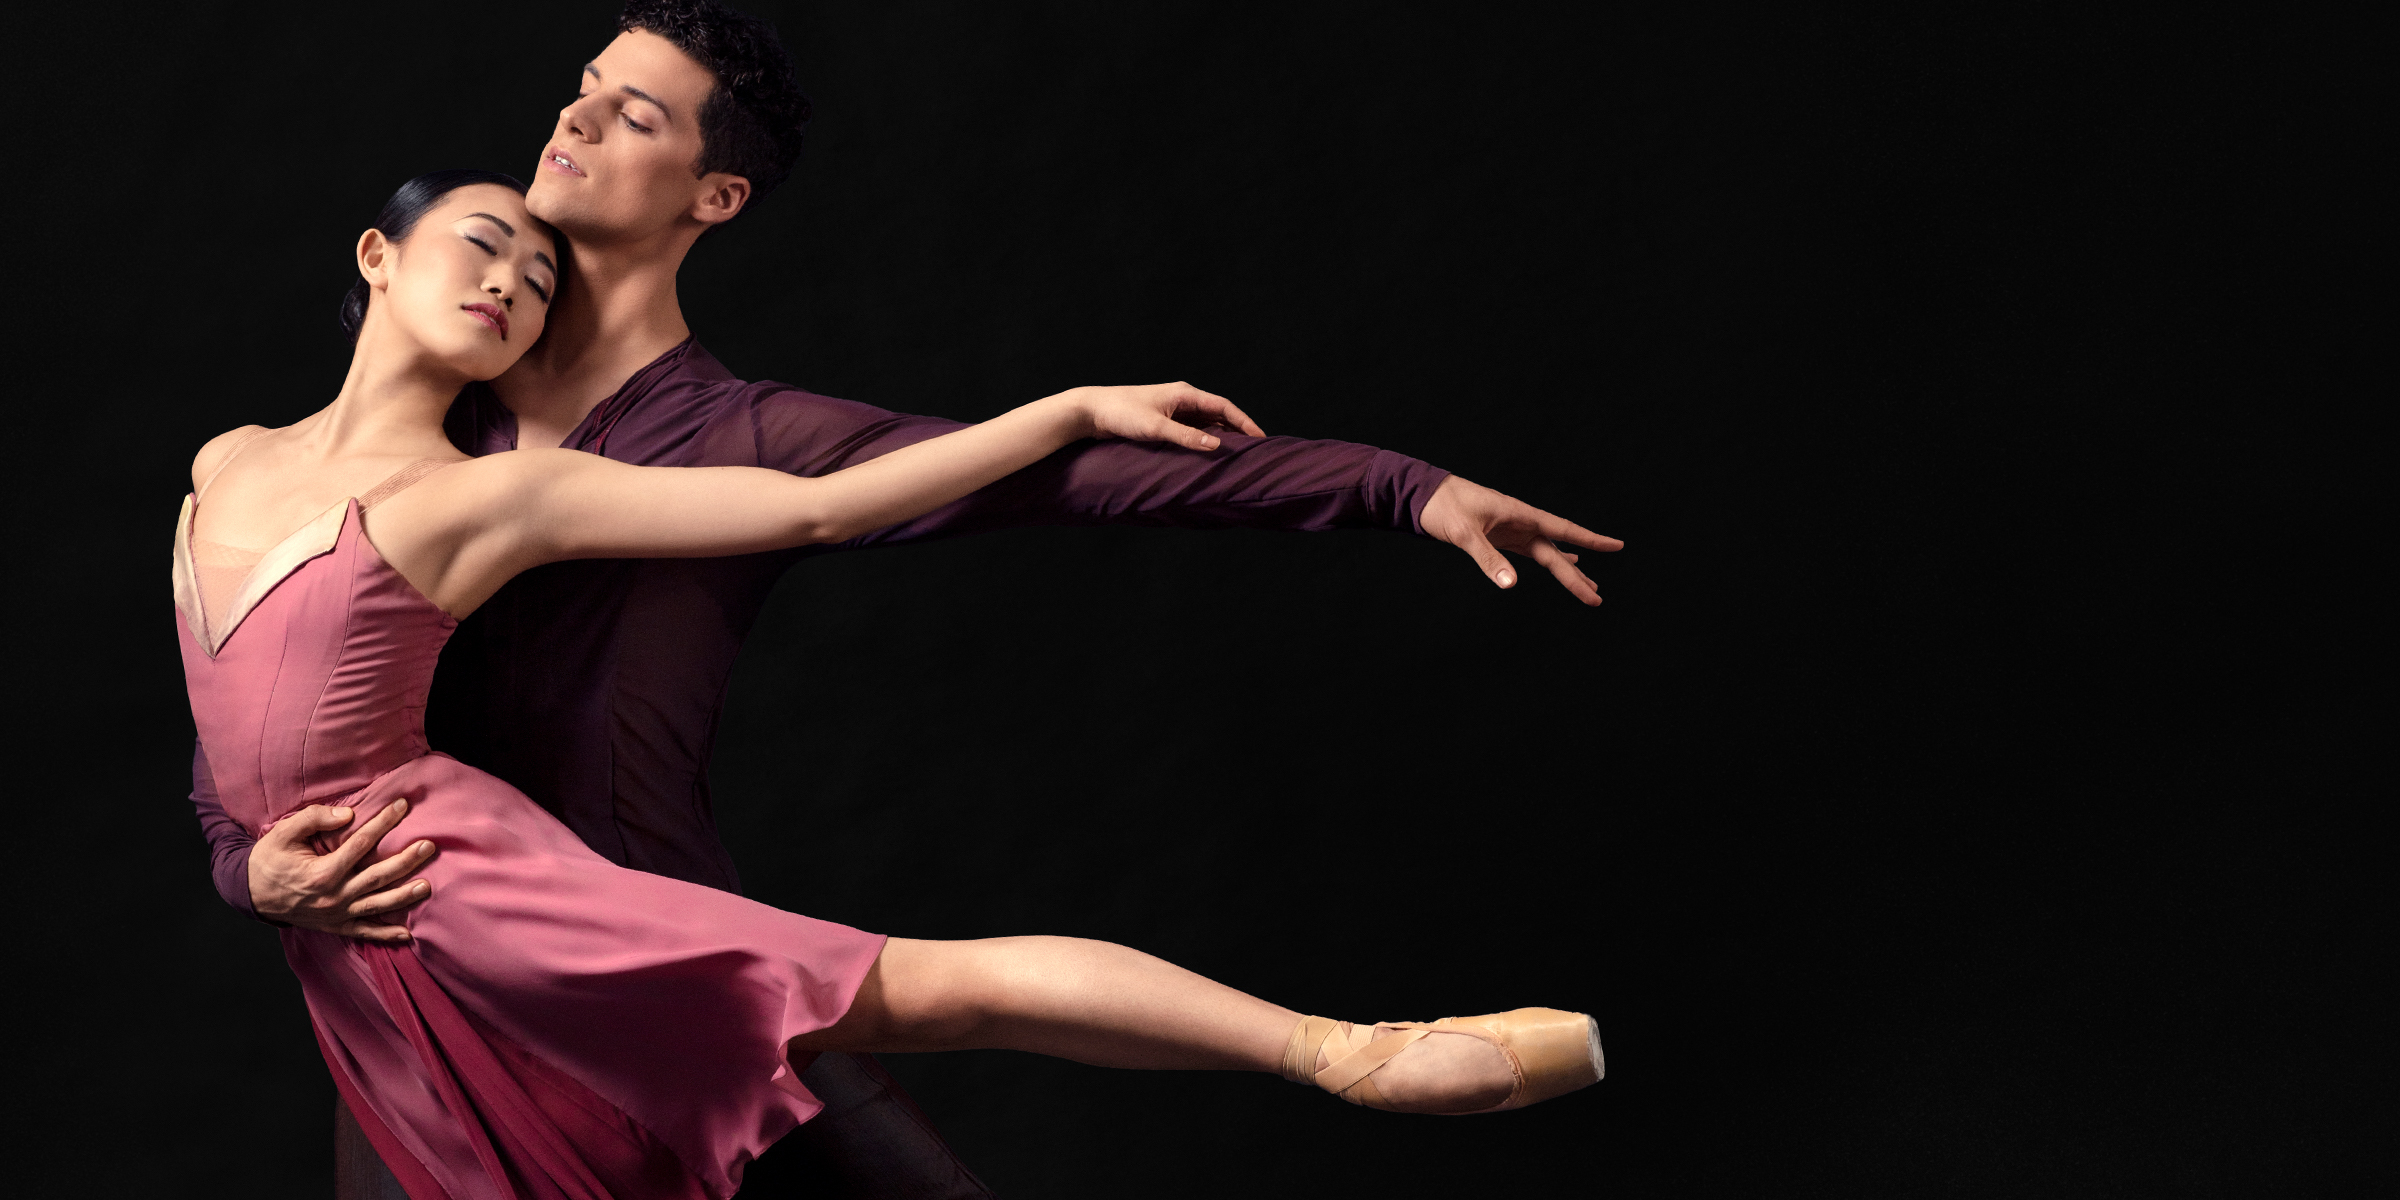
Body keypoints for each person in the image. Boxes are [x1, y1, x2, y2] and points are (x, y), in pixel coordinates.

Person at [187, 4, 1621, 1193]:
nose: (575, 120)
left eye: (635, 115)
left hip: (682, 965)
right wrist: (248, 873)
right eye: (584, 89)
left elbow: (1080, 477)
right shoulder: (434, 419)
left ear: (714, 196)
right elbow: (263, 723)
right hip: (427, 986)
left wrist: (1400, 487)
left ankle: (1359, 1054)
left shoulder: (744, 435)